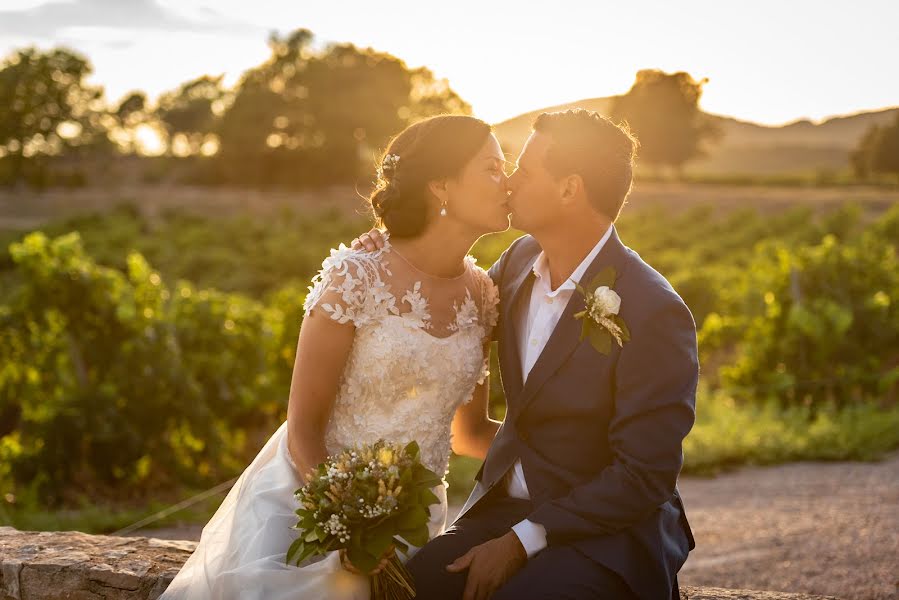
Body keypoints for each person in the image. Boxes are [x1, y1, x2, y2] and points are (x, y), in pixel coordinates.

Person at [159, 114, 512, 599]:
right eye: (492, 168)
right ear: (441, 185)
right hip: (312, 507)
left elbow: (470, 433)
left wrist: (573, 461)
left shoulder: (483, 295)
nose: (507, 182)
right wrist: (347, 516)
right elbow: (303, 425)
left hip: (414, 525)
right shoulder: (355, 277)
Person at [352, 108, 698, 600]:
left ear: (568, 189)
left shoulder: (653, 310)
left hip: (609, 536)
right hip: (504, 514)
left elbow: (645, 476)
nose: (510, 182)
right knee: (405, 589)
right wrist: (390, 254)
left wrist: (519, 543)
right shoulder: (515, 264)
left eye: (525, 170)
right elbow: (445, 306)